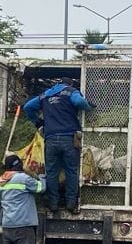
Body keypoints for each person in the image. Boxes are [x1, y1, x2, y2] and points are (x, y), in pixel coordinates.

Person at [22, 77, 93, 215]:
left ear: (58, 84)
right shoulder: (71, 91)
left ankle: (53, 204)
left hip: (50, 139)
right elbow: (79, 101)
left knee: (52, 172)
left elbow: (27, 107)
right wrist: (88, 106)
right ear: (69, 84)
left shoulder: (46, 94)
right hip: (69, 138)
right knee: (71, 171)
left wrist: (39, 123)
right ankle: (71, 203)